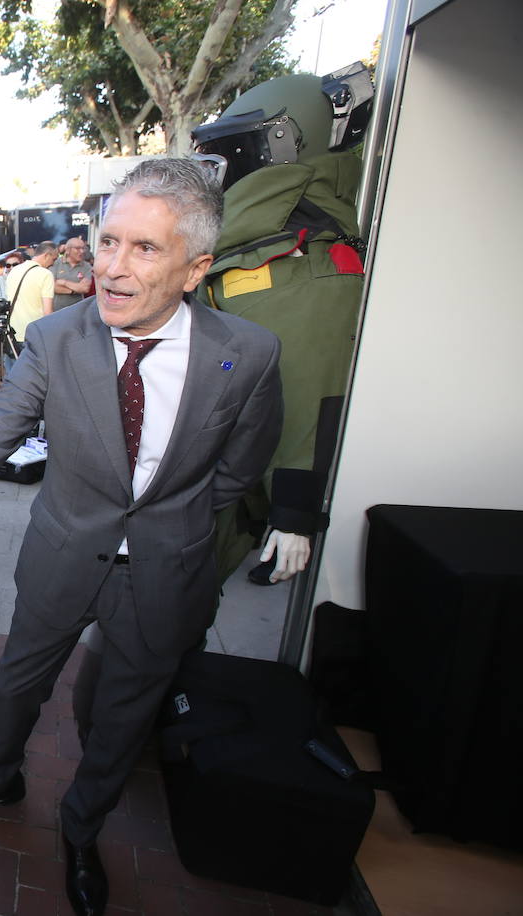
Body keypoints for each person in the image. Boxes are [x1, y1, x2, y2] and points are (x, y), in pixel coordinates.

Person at [0, 159, 283, 916]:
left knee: (124, 714)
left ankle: (81, 829)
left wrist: (170, 524)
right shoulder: (55, 339)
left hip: (165, 572)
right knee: (17, 685)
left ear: (195, 268)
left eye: (144, 248)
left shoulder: (248, 352)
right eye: (107, 241)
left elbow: (240, 469)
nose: (111, 267)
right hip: (60, 556)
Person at [194, 69, 369, 586]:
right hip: (213, 463)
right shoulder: (255, 249)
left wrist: (293, 512)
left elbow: (311, 388)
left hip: (230, 474)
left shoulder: (305, 263)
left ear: (281, 144)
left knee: (170, 609)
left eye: (234, 148)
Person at [3, 240, 58, 338]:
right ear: (46, 255)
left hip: (13, 332)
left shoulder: (14, 271)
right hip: (36, 333)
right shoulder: (46, 274)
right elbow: (47, 312)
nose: (53, 264)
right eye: (54, 259)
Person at [52, 237, 93, 312]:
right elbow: (52, 287)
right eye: (77, 248)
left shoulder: (87, 266)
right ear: (68, 250)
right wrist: (74, 290)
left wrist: (64, 282)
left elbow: (85, 288)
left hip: (77, 311)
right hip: (56, 311)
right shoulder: (56, 263)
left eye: (83, 248)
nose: (82, 251)